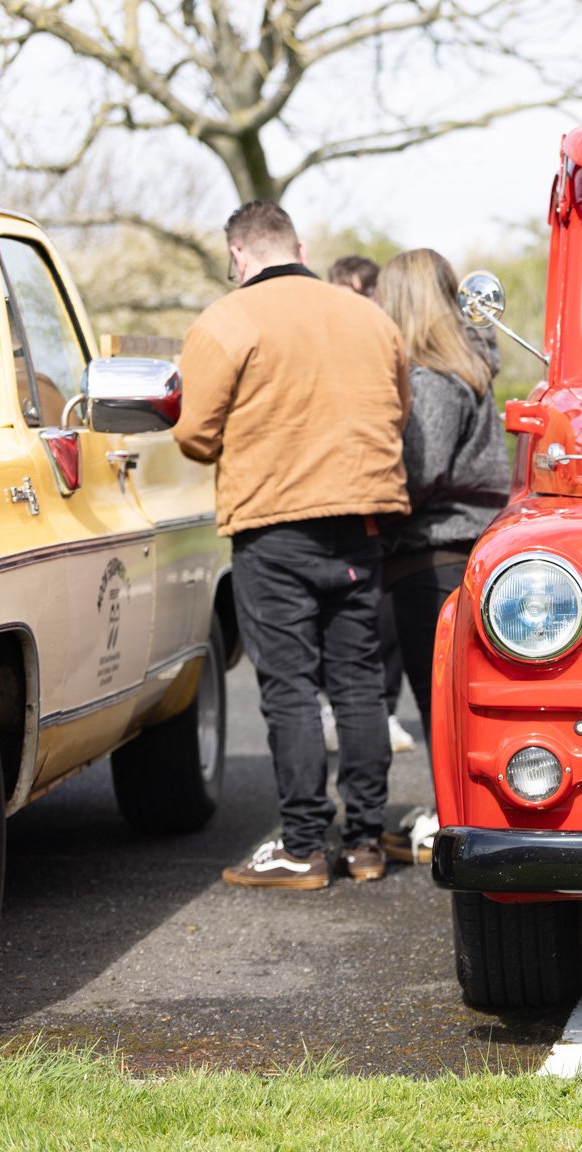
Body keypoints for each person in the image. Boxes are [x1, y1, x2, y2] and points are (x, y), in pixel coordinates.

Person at [176, 201, 411, 889]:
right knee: (360, 682)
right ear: (299, 246)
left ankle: (304, 844)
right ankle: (366, 839)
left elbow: (193, 431)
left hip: (275, 526)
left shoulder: (229, 319)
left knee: (289, 690)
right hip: (361, 524)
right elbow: (398, 408)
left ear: (239, 256)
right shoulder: (370, 317)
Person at [373, 248, 511, 863]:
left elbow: (419, 470)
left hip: (429, 558)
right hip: (470, 549)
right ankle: (453, 810)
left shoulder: (431, 380)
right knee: (458, 702)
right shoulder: (475, 368)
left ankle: (447, 817)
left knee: (437, 706)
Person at [324, 253, 417, 756]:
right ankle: (356, 711)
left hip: (364, 499)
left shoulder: (380, 338)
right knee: (361, 626)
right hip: (352, 495)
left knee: (375, 625)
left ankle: (376, 711)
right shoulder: (362, 336)